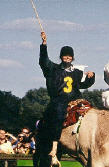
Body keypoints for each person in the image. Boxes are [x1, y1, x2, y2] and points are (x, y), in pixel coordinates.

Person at [39, 31, 95, 159]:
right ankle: (54, 145)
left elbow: (84, 85)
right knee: (59, 113)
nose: (67, 58)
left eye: (70, 56)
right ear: (61, 57)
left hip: (75, 99)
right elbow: (43, 60)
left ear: (73, 58)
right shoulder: (52, 69)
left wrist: (91, 77)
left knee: (91, 110)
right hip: (58, 100)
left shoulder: (77, 72)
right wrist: (44, 44)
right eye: (65, 56)